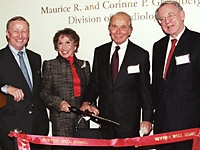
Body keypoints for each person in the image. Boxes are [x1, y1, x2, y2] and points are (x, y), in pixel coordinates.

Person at [80, 12, 153, 149]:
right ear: (109, 29)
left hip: (129, 122)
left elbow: (145, 90)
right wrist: (86, 101)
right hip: (105, 119)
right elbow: (95, 82)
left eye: (123, 27)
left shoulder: (141, 55)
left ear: (130, 30)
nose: (118, 31)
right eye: (114, 26)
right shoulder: (100, 52)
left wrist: (148, 118)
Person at [152, 1, 200, 149]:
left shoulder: (197, 41)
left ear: (182, 15)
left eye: (170, 15)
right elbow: (157, 84)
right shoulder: (158, 46)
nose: (167, 21)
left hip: (190, 124)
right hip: (163, 125)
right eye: (162, 19)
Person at [0, 16, 49, 150]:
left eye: (24, 31)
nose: (20, 35)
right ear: (7, 33)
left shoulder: (36, 57)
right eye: (16, 31)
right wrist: (5, 88)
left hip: (38, 128)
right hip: (11, 128)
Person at [41, 28, 91, 150]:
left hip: (82, 119)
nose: (64, 47)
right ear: (56, 46)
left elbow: (90, 91)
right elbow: (44, 92)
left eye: (68, 42)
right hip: (61, 119)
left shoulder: (84, 65)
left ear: (75, 45)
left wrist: (91, 105)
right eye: (60, 43)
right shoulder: (50, 65)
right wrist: (59, 103)